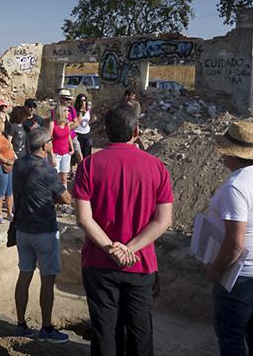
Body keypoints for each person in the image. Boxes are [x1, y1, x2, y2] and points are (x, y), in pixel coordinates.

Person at [73, 103, 174, 356]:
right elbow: (163, 221)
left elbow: (84, 219)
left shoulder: (88, 165)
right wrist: (129, 249)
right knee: (140, 329)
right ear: (136, 131)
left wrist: (112, 248)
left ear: (106, 132)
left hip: (99, 262)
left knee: (105, 329)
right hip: (140, 264)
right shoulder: (157, 167)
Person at [205, 121, 253, 355]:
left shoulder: (236, 187)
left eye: (225, 151)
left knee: (231, 337)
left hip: (242, 277)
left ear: (235, 155)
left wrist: (214, 270)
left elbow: (235, 245)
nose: (221, 156)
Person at [12, 128, 72, 343]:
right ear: (45, 145)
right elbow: (66, 198)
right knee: (47, 280)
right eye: (51, 141)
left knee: (24, 275)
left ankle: (20, 324)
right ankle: (46, 328)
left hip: (22, 228)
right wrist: (53, 198)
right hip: (44, 231)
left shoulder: (19, 164)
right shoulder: (47, 170)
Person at [0, 116, 16, 224]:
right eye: (2, 123)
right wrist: (7, 161)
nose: (4, 125)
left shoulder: (2, 136)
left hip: (9, 165)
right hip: (0, 165)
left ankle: (9, 213)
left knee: (9, 190)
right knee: (1, 190)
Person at [49, 104, 74, 188]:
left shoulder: (67, 123)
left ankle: (64, 198)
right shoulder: (53, 124)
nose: (69, 112)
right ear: (62, 112)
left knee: (64, 178)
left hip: (66, 154)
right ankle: (54, 198)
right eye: (67, 110)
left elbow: (68, 136)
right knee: (54, 178)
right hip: (56, 154)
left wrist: (72, 148)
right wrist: (52, 156)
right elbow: (49, 141)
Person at [55, 89, 82, 166]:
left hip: (72, 136)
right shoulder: (55, 111)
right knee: (65, 156)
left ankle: (81, 171)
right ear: (61, 99)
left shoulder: (71, 109)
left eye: (69, 99)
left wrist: (64, 128)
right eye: (67, 99)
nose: (69, 101)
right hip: (60, 137)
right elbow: (55, 125)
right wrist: (68, 125)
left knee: (78, 154)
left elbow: (76, 123)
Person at [74, 94, 93, 158]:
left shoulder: (88, 110)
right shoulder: (76, 111)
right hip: (78, 134)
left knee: (87, 154)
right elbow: (76, 123)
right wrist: (80, 112)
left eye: (84, 100)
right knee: (79, 154)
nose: (83, 102)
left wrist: (92, 120)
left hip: (87, 133)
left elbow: (86, 122)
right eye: (81, 101)